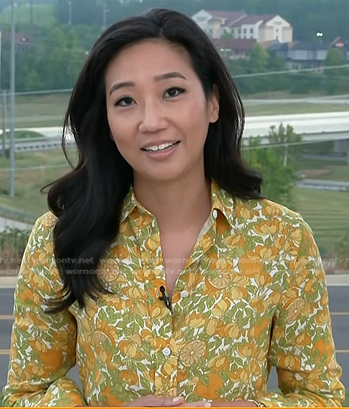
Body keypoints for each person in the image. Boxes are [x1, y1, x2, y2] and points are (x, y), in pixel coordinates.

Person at [2, 7, 345, 408]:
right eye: (126, 100)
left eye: (173, 92)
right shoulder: (58, 238)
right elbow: (25, 396)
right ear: (108, 124)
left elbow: (322, 399)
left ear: (213, 102)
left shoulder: (282, 239)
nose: (151, 120)